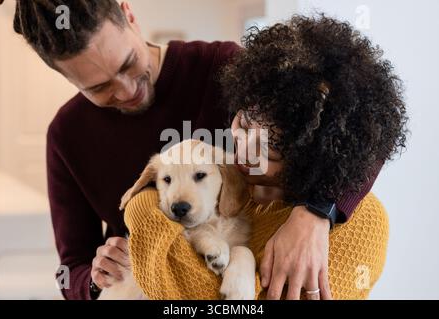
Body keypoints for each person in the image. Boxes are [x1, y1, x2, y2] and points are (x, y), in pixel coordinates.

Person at [0, 0, 399, 300]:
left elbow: (354, 131)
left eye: (127, 64)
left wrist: (318, 213)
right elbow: (72, 271)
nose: (125, 91)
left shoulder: (222, 67)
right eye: (97, 88)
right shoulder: (67, 136)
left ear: (128, 13)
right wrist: (97, 277)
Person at [124, 15, 407, 300]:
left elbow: (202, 297)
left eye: (267, 151)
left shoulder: (362, 224)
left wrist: (142, 213)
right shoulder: (228, 187)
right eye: (244, 124)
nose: (242, 149)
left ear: (309, 161)